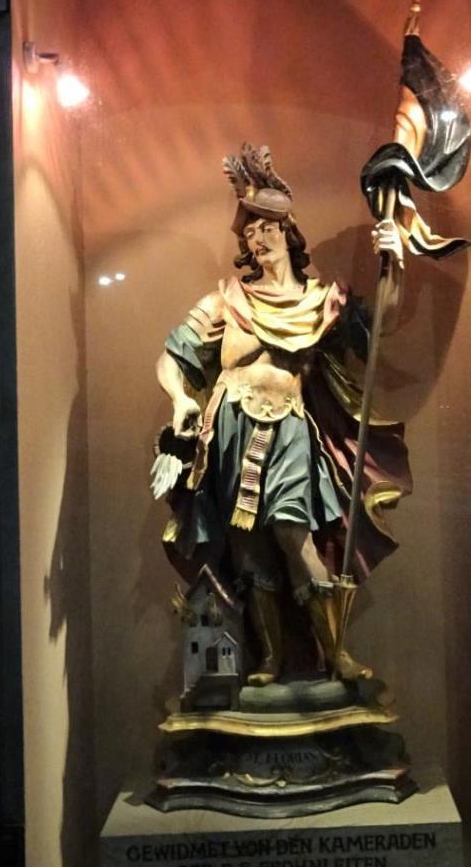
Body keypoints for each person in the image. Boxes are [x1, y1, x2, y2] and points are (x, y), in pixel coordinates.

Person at [156, 144, 410, 687]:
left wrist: (395, 261)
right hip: (230, 428)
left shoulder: (322, 299)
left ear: (288, 233)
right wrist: (180, 398)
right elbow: (172, 357)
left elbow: (379, 328)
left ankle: (336, 653)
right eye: (250, 231)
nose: (258, 237)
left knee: (294, 532)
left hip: (289, 427)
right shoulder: (227, 300)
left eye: (267, 226)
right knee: (248, 550)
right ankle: (270, 659)